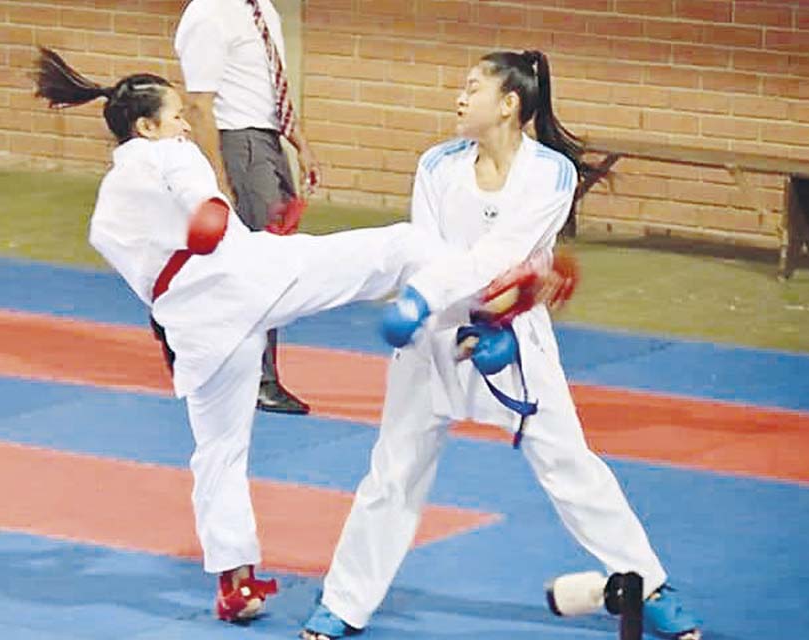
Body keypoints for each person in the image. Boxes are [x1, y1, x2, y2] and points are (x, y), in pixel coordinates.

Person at [31, 48, 572, 626]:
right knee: (401, 248)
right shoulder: (168, 155)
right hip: (246, 282)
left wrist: (232, 235)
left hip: (196, 328)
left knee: (217, 454)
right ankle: (493, 310)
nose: (186, 124)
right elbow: (203, 203)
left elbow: (161, 263)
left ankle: (235, 583)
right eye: (177, 115)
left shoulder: (107, 209)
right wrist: (218, 217)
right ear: (147, 126)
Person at [299, 51, 702, 640]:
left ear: (509, 103)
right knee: (394, 472)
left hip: (514, 334)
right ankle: (344, 601)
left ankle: (647, 584)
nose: (458, 98)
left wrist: (452, 306)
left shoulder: (551, 174)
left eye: (471, 88)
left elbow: (506, 255)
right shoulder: (436, 166)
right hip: (435, 335)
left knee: (569, 464)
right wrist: (427, 304)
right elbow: (426, 249)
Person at [175, 0, 319, 415]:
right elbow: (200, 104)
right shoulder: (208, 13)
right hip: (236, 143)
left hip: (265, 140)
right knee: (260, 264)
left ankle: (224, 361)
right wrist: (218, 177)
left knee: (269, 256)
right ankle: (256, 378)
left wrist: (300, 144)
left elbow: (273, 87)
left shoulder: (262, 9)